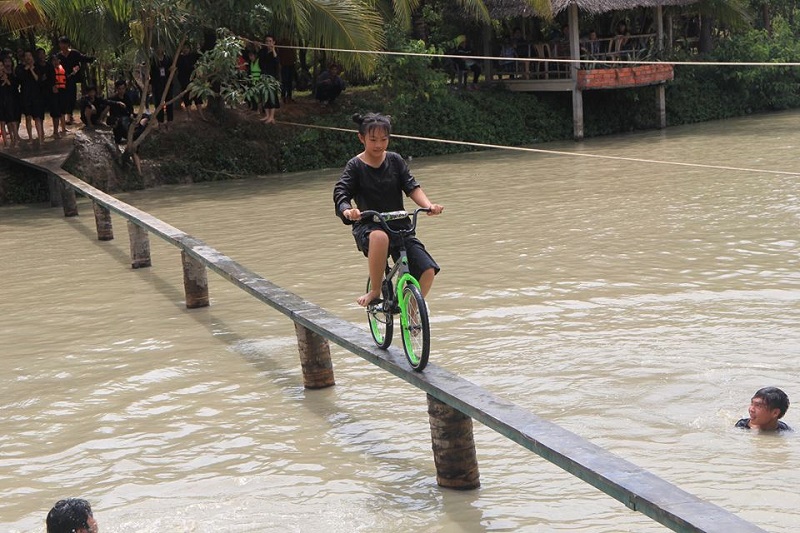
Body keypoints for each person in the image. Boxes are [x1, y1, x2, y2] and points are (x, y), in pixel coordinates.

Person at [333, 113, 444, 306]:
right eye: (373, 140)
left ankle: (410, 312)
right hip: (369, 226)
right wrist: (348, 211)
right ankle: (375, 290)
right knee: (380, 237)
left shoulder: (395, 160)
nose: (379, 145)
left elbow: (412, 187)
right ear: (361, 138)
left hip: (399, 226)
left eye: (384, 140)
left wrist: (428, 206)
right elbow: (341, 193)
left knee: (428, 270)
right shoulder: (355, 166)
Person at [57, 36, 95, 125]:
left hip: (72, 79)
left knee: (71, 98)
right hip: (61, 80)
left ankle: (69, 116)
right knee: (64, 98)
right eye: (61, 44)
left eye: (64, 43)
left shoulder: (74, 53)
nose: (63, 46)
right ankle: (66, 116)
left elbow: (84, 58)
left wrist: (93, 58)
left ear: (68, 44)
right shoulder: (58, 56)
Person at [16, 50, 46, 146]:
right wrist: (26, 69)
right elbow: (20, 80)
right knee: (28, 117)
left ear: (33, 57)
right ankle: (30, 138)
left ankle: (40, 138)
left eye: (30, 55)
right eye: (26, 56)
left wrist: (31, 69)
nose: (28, 57)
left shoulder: (37, 67)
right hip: (26, 95)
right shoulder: (20, 68)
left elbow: (38, 79)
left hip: (36, 95)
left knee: (37, 117)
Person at [257, 35, 281, 124]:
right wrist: (257, 46)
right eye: (267, 41)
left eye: (270, 41)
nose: (268, 43)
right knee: (265, 96)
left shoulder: (276, 52)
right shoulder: (263, 51)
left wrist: (273, 49)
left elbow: (276, 61)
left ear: (273, 42)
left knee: (272, 96)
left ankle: (272, 116)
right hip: (263, 76)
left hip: (272, 77)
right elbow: (259, 60)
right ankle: (267, 115)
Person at [150, 45, 174, 131]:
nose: (160, 49)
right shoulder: (152, 59)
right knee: (158, 103)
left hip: (167, 83)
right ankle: (160, 122)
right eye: (158, 47)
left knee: (169, 102)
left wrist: (172, 70)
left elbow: (172, 69)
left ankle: (169, 122)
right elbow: (151, 72)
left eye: (162, 47)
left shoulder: (168, 58)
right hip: (157, 84)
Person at [176, 42, 201, 112]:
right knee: (186, 97)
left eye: (187, 48)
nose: (185, 49)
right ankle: (189, 115)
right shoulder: (179, 58)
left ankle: (201, 114)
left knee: (197, 97)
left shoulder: (193, 56)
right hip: (184, 80)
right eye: (184, 48)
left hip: (194, 79)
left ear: (189, 49)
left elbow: (201, 57)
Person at [49, 54, 68, 138]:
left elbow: (66, 78)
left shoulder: (62, 68)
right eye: (54, 60)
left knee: (62, 110)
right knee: (55, 112)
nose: (56, 62)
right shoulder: (49, 70)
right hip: (53, 93)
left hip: (62, 91)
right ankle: (55, 131)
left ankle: (63, 128)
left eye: (57, 60)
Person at [277, 38, 296, 103]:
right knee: (284, 81)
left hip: (291, 64)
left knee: (290, 81)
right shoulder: (281, 41)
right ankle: (283, 96)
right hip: (284, 64)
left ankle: (289, 96)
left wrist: (294, 60)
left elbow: (294, 51)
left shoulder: (292, 40)